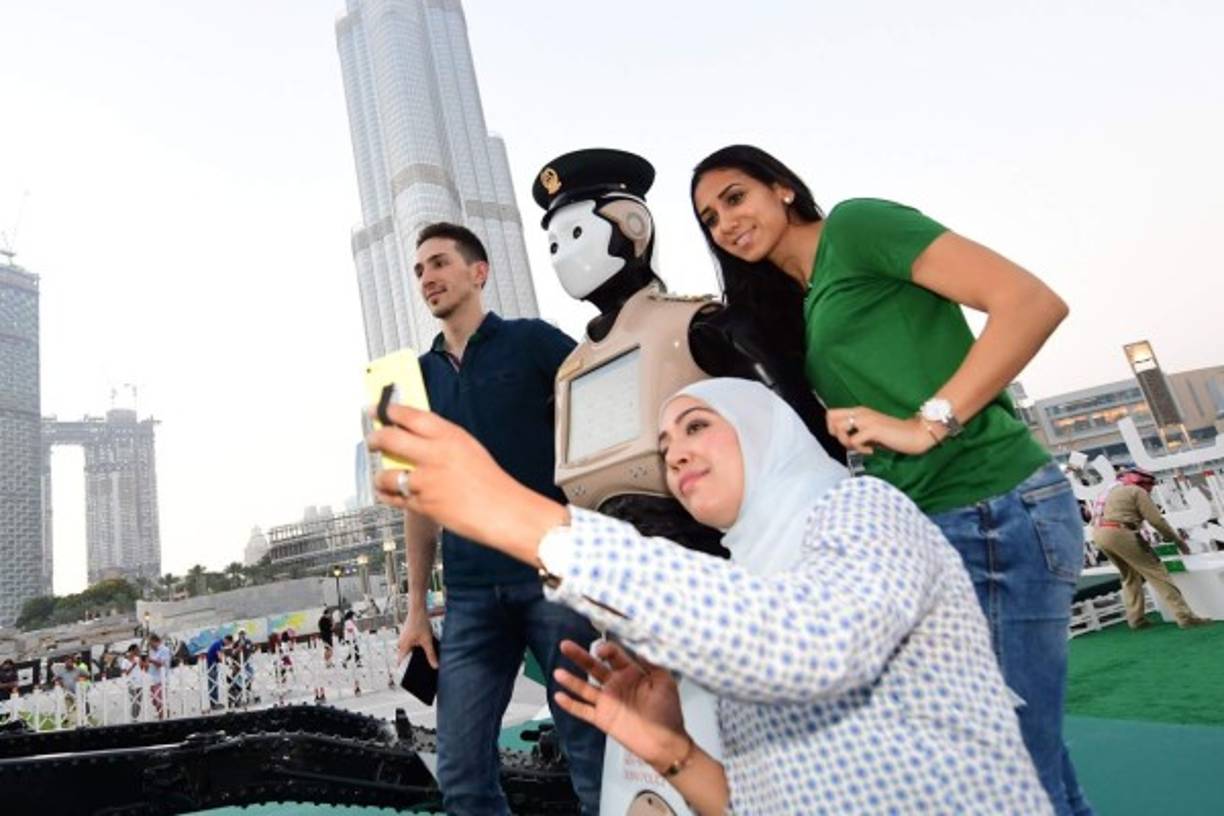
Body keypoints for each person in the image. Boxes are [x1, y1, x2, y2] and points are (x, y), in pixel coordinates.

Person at [366, 378, 1051, 814]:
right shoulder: (743, 579)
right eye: (665, 444)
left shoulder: (861, 509)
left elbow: (811, 644)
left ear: (767, 429)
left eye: (698, 426)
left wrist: (519, 518)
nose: (677, 454)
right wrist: (674, 753)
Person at [689, 145, 1090, 815]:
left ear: (783, 189)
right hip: (935, 529)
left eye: (735, 197)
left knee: (1004, 769)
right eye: (708, 218)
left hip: (991, 506)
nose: (725, 223)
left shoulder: (858, 228)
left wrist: (928, 423)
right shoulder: (806, 300)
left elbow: (1030, 301)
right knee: (1030, 762)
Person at [394, 222, 605, 815]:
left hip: (553, 576)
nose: (427, 278)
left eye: (438, 263)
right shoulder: (416, 381)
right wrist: (416, 607)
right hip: (468, 596)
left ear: (477, 272)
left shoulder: (533, 342)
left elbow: (599, 424)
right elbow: (419, 501)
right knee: (460, 773)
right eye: (418, 271)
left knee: (592, 755)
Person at [1092, 467, 1212, 629]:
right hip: (1120, 532)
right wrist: (1178, 542)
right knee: (1157, 572)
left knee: (1130, 576)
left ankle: (1136, 619)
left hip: (1100, 534)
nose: (1151, 489)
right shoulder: (1136, 491)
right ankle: (1185, 616)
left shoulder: (1110, 490)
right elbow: (1156, 520)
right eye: (1150, 485)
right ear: (1141, 482)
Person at [146, 634, 171, 719]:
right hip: (153, 680)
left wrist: (151, 660)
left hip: (160, 680)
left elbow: (162, 664)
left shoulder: (164, 650)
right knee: (155, 701)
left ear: (155, 641)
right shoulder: (153, 651)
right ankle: (162, 716)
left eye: (150, 643)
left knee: (160, 701)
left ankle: (164, 717)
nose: (150, 646)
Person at [204, 634, 232, 709]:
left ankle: (215, 702)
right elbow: (220, 656)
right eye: (228, 643)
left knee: (214, 684)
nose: (228, 645)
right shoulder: (218, 644)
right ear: (226, 640)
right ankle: (213, 703)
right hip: (211, 666)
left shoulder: (219, 644)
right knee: (213, 684)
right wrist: (227, 663)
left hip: (213, 665)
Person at [119, 644, 145, 721]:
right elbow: (124, 673)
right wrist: (132, 666)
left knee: (139, 703)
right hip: (131, 684)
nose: (138, 651)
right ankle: (133, 719)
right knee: (134, 702)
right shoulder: (125, 661)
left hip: (139, 683)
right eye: (137, 650)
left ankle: (135, 718)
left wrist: (141, 660)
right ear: (132, 650)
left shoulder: (137, 659)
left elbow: (143, 667)